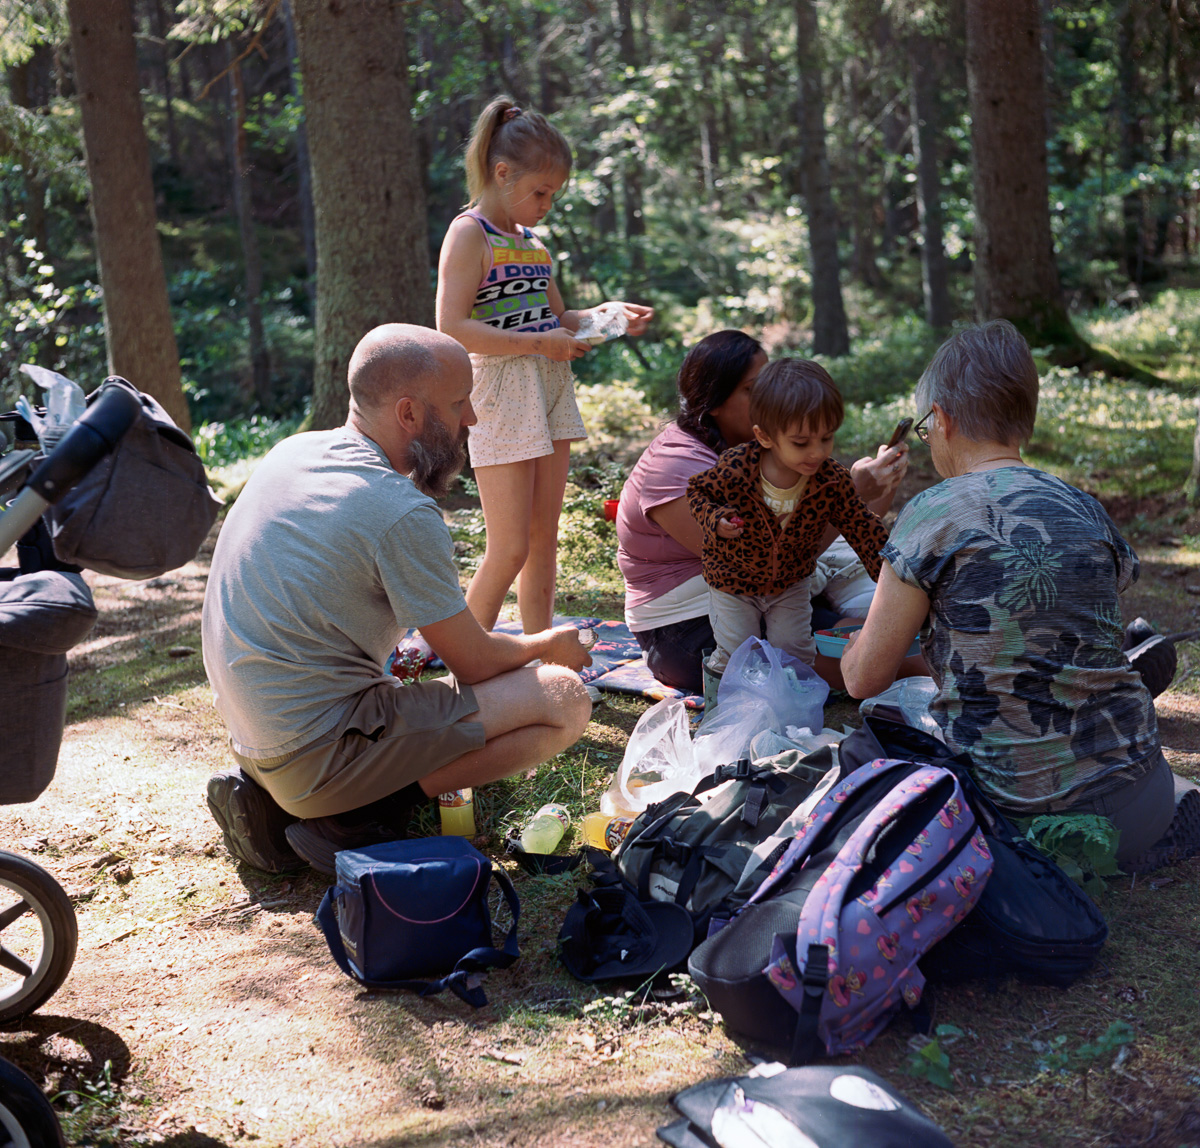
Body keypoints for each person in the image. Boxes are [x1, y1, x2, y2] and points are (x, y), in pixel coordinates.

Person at [201, 324, 594, 876]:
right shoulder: (399, 511)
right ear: (408, 414)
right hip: (314, 752)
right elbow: (475, 664)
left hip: (254, 740)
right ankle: (349, 816)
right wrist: (545, 643)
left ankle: (284, 802)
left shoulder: (294, 453)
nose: (473, 420)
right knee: (564, 699)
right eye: (460, 403)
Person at [841, 320, 1199, 871]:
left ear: (941, 419)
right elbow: (1057, 638)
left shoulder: (932, 513)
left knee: (873, 736)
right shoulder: (1084, 507)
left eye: (923, 429)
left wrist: (851, 649)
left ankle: (1054, 853)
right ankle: (1155, 813)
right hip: (1140, 801)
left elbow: (863, 677)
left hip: (1014, 812)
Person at [436, 95, 653, 635]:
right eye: (540, 192)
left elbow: (559, 317)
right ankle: (467, 669)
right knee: (508, 547)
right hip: (500, 393)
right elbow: (451, 326)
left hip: (549, 387)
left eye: (552, 195)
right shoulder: (469, 234)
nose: (546, 205)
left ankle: (539, 652)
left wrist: (608, 318)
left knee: (541, 542)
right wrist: (540, 345)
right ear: (502, 173)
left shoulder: (533, 243)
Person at [616, 330, 909, 695]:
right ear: (713, 402)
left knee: (855, 633)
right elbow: (762, 556)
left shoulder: (754, 451)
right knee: (862, 655)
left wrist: (867, 495)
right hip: (684, 628)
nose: (773, 398)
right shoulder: (679, 468)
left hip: (767, 594)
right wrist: (849, 494)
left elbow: (849, 527)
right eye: (755, 390)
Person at [687, 359, 890, 688]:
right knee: (738, 651)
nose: (817, 452)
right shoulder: (737, 467)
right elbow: (698, 493)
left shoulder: (830, 480)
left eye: (826, 438)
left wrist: (890, 576)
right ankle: (724, 714)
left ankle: (794, 712)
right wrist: (716, 519)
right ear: (765, 436)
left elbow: (862, 528)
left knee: (794, 648)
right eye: (801, 442)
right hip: (732, 580)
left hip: (791, 582)